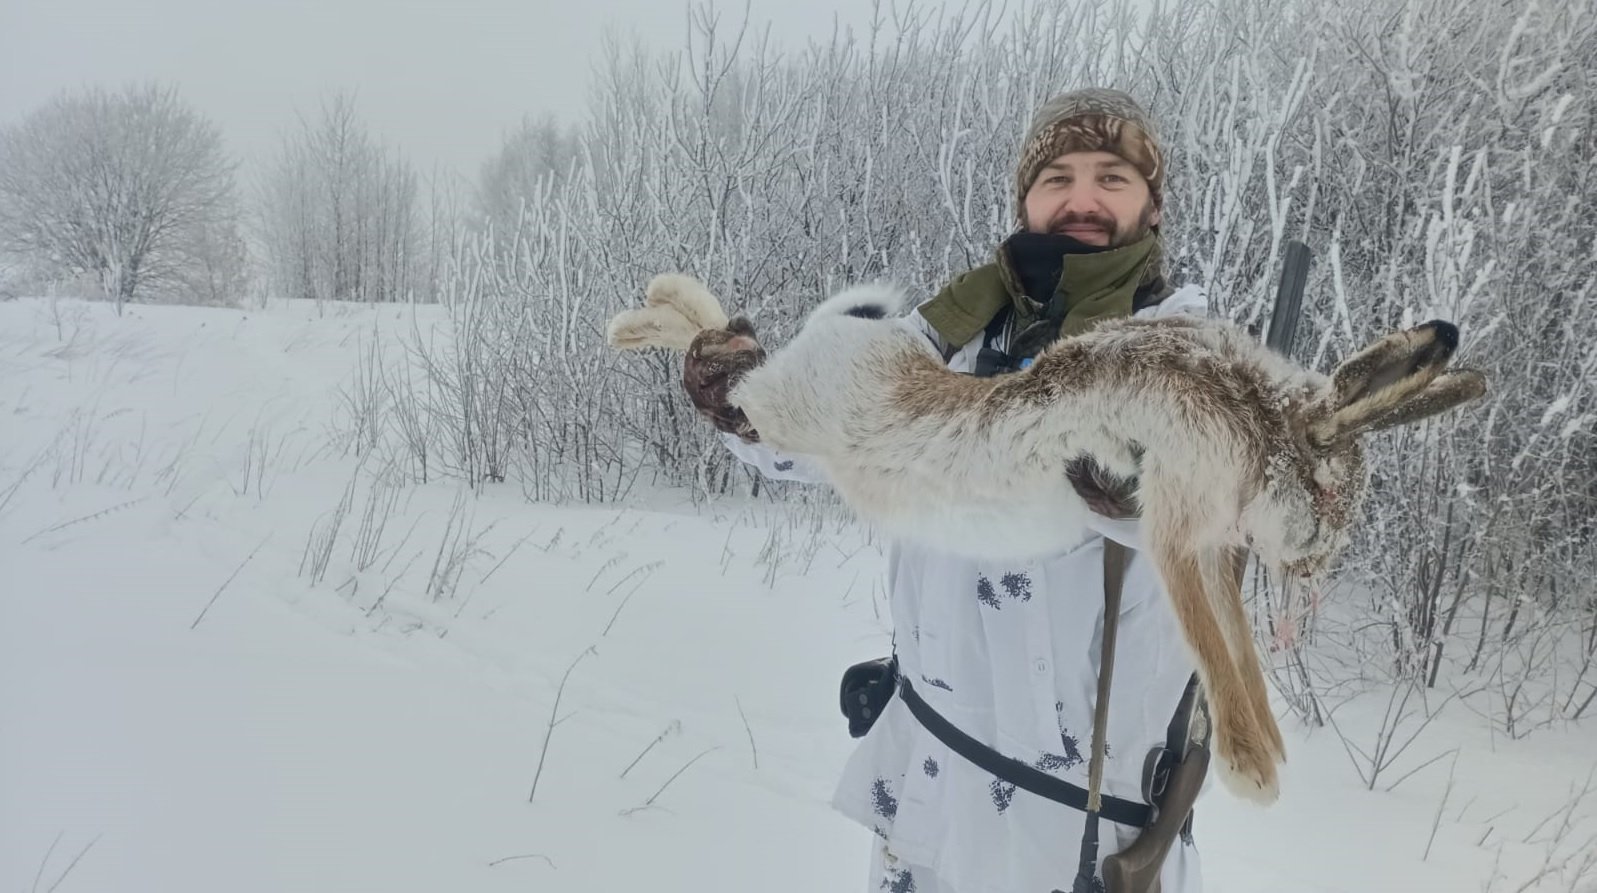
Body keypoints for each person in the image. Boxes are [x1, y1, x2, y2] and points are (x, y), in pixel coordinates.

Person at [683, 88, 1210, 893]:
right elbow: (841, 446)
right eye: (1057, 176)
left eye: (1111, 177)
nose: (1081, 199)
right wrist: (751, 405)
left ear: (1151, 204)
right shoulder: (952, 348)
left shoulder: (1189, 358)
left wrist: (1145, 490)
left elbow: (1229, 518)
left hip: (1075, 828)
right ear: (1026, 199)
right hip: (927, 788)